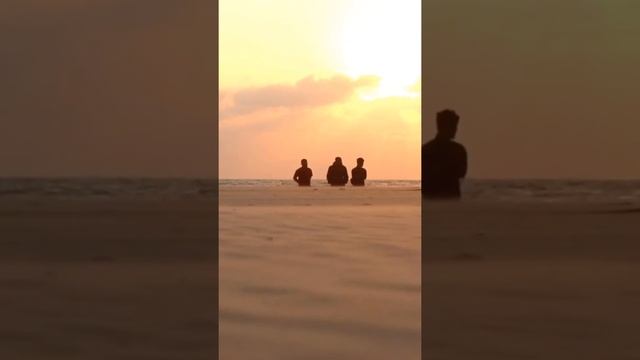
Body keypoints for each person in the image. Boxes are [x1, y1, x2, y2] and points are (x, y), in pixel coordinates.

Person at [422, 109, 468, 199]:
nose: (455, 129)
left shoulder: (425, 149)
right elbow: (462, 173)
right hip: (448, 199)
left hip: (431, 200)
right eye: (453, 126)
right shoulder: (458, 150)